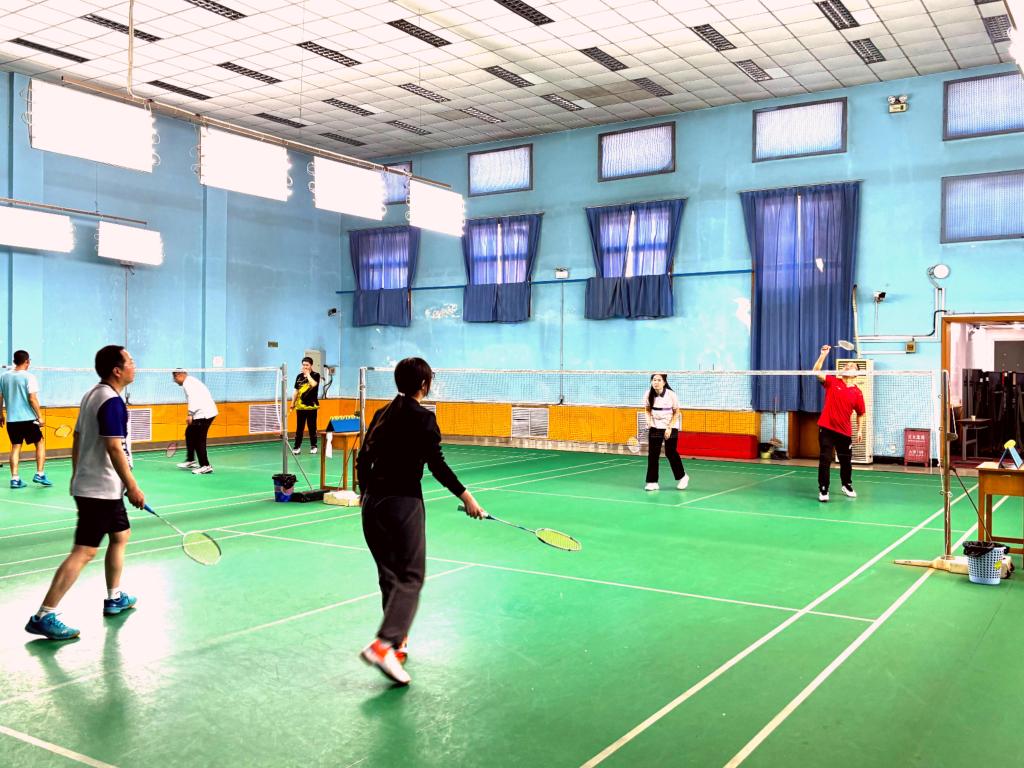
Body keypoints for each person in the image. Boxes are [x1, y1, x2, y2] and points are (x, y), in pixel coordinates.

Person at [355, 357, 486, 685]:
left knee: (389, 576)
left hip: (372, 504)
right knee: (411, 576)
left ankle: (396, 644)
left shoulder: (381, 414)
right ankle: (384, 645)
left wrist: (365, 494)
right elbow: (436, 465)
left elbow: (363, 458)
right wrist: (467, 497)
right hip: (403, 504)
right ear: (424, 385)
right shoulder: (424, 418)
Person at [25, 345, 144, 641]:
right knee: (84, 551)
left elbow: (78, 437)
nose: (134, 365)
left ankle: (114, 597)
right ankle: (43, 615)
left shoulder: (94, 394)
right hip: (100, 489)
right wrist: (132, 486)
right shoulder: (111, 402)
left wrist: (76, 473)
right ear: (117, 370)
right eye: (130, 361)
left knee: (121, 535)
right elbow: (114, 447)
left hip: (99, 485)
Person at [812, 344, 866, 503]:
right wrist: (823, 354)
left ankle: (846, 485)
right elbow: (816, 372)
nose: (848, 366)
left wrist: (860, 430)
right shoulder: (833, 381)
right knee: (825, 459)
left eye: (852, 366)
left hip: (844, 431)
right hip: (827, 428)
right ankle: (823, 489)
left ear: (856, 373)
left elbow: (861, 413)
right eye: (846, 365)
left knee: (845, 461)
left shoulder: (857, 393)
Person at [0, 350, 52, 489]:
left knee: (16, 446)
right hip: (28, 419)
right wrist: (40, 416)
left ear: (14, 361)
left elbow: (0, 397)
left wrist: (0, 414)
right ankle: (40, 474)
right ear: (27, 361)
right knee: (40, 443)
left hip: (12, 419)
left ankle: (15, 479)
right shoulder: (29, 377)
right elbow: (32, 399)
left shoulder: (4, 376)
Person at [643, 373, 688, 491]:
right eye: (654, 380)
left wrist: (669, 428)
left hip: (670, 425)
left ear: (664, 382)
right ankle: (652, 482)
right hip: (655, 425)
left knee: (670, 452)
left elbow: (676, 412)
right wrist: (648, 421)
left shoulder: (671, 395)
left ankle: (683, 477)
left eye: (659, 380)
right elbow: (647, 410)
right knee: (653, 454)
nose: (656, 382)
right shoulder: (648, 394)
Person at [172, 369, 219, 475]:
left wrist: (190, 414)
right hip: (203, 411)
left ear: (179, 375)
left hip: (204, 413)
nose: (174, 381)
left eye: (174, 378)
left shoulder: (188, 383)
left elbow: (193, 398)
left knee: (199, 439)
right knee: (189, 433)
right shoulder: (191, 381)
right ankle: (190, 460)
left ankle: (205, 465)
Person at [290, 356, 320, 456]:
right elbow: (296, 391)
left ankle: (314, 446)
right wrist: (292, 403)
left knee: (312, 427)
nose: (305, 367)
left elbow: (313, 384)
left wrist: (307, 375)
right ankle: (297, 447)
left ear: (311, 365)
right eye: (303, 365)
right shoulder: (299, 377)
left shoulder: (316, 375)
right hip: (300, 407)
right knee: (299, 428)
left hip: (311, 407)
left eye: (307, 365)